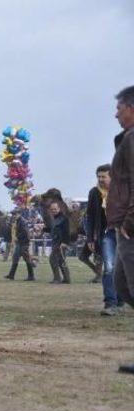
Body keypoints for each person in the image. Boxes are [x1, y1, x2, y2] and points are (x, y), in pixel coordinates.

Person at [107, 86, 134, 374]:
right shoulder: (127, 138)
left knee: (129, 284)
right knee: (123, 285)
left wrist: (129, 220)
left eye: (120, 107)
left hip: (131, 229)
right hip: (124, 227)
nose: (116, 113)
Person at [87, 164, 121, 316]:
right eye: (98, 176)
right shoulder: (94, 193)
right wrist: (90, 238)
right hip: (108, 234)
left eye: (103, 176)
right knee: (109, 267)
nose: (101, 179)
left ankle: (121, 299)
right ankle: (110, 304)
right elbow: (90, 217)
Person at [4, 209, 35, 281]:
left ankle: (31, 276)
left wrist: (18, 237)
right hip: (20, 243)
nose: (13, 216)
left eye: (14, 214)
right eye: (12, 214)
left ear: (18, 214)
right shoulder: (18, 221)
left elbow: (25, 232)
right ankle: (11, 275)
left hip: (23, 243)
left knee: (26, 258)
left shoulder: (22, 221)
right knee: (15, 257)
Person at [45, 202, 71, 284]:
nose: (53, 210)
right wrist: (44, 229)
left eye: (55, 209)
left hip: (60, 243)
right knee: (61, 260)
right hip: (56, 242)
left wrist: (64, 242)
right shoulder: (55, 219)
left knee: (52, 259)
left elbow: (67, 231)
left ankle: (57, 278)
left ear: (59, 209)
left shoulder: (63, 218)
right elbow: (53, 230)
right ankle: (67, 279)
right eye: (52, 209)